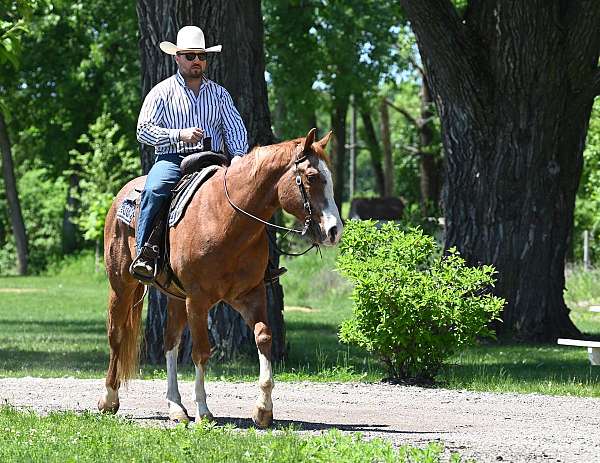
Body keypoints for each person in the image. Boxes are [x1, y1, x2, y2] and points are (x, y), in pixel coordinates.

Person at [131, 25, 248, 279]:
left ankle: (259, 264)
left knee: (250, 195)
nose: (197, 61)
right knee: (155, 189)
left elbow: (235, 127)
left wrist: (238, 156)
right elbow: (143, 131)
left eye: (202, 56)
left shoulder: (219, 94)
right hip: (174, 159)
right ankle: (145, 254)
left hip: (214, 160)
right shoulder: (161, 92)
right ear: (177, 57)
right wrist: (178, 134)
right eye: (190, 56)